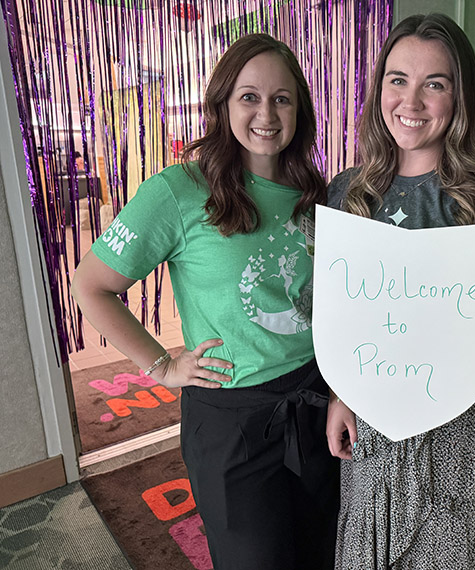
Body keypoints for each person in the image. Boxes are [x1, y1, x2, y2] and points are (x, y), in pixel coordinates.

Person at [72, 33, 339, 570]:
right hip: (230, 423)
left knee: (321, 554)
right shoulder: (177, 191)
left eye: (282, 98)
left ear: (299, 110)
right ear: (222, 104)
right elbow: (90, 287)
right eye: (249, 97)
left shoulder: (315, 193)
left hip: (314, 405)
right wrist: (162, 365)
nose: (266, 113)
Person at [325, 13, 475, 570]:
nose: (413, 100)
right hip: (376, 434)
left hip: (462, 433)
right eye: (398, 79)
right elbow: (348, 319)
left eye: (436, 84)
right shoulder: (348, 192)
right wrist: (343, 393)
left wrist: (440, 337)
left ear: (460, 97)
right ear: (379, 86)